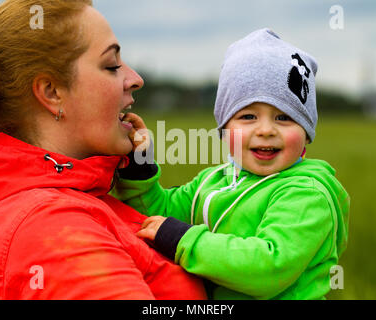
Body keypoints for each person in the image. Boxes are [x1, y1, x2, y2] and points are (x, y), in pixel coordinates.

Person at [0, 0, 207, 300]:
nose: (135, 79)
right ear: (52, 93)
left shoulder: (69, 201)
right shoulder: (51, 228)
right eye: (112, 65)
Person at [113, 29, 350, 300]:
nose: (266, 130)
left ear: (306, 131)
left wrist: (185, 240)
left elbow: (267, 267)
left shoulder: (306, 194)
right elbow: (155, 215)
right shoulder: (213, 182)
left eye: (284, 118)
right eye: (248, 116)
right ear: (224, 129)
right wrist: (138, 165)